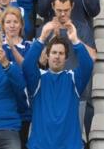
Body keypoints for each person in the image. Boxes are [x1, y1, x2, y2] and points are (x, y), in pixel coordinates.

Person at [22, 21, 93, 149]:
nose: (57, 56)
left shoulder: (73, 79)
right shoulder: (38, 78)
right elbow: (27, 66)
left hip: (69, 145)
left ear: (66, 58)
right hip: (40, 145)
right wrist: (42, 38)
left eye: (61, 53)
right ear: (47, 56)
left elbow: (88, 65)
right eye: (54, 53)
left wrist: (75, 40)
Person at [0, 7, 32, 149]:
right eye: (8, 22)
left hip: (23, 106)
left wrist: (12, 48)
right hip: (2, 105)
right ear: (3, 25)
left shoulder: (29, 46)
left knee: (21, 144)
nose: (12, 25)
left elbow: (28, 69)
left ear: (21, 25)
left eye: (15, 22)